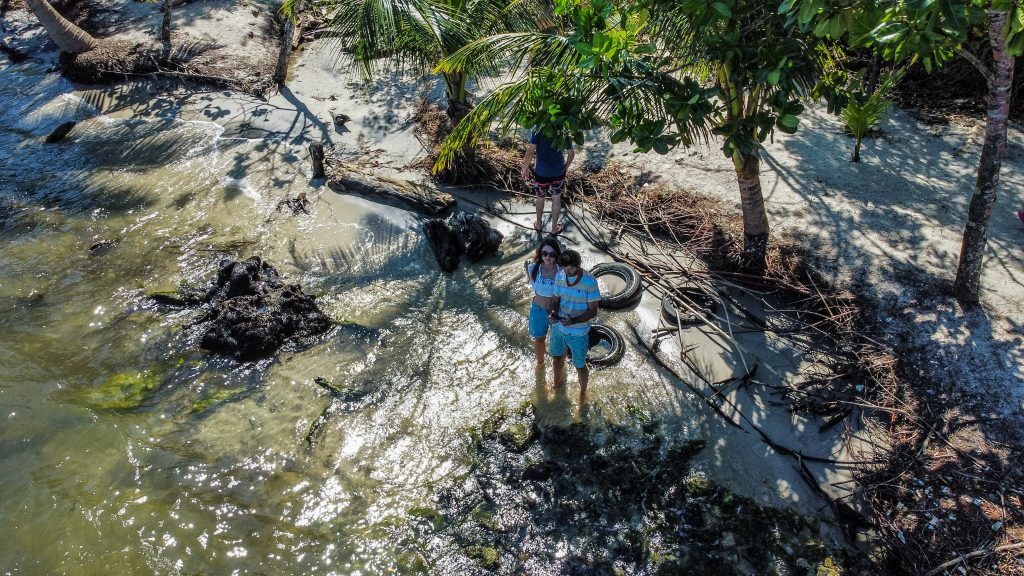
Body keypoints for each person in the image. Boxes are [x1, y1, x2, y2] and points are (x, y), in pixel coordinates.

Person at [547, 249, 600, 403]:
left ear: (578, 265)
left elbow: (593, 311)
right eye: (564, 268)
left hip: (579, 332)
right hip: (558, 328)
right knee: (557, 358)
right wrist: (552, 313)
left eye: (570, 268)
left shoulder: (590, 282)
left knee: (580, 365)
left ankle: (583, 394)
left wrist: (574, 321)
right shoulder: (560, 275)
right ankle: (557, 384)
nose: (567, 272)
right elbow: (555, 300)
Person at [520, 128, 575, 235]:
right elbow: (571, 153)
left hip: (541, 172)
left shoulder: (539, 127)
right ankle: (554, 228)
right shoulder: (564, 128)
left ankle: (539, 224)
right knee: (556, 197)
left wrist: (525, 168)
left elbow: (531, 151)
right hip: (558, 172)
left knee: (540, 197)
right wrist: (566, 167)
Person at [524, 238, 562, 366]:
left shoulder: (561, 271)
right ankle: (540, 366)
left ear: (556, 254)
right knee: (539, 339)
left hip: (556, 310)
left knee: (558, 341)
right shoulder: (533, 268)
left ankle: (559, 365)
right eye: (545, 253)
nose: (548, 257)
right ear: (540, 253)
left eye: (551, 254)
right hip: (537, 309)